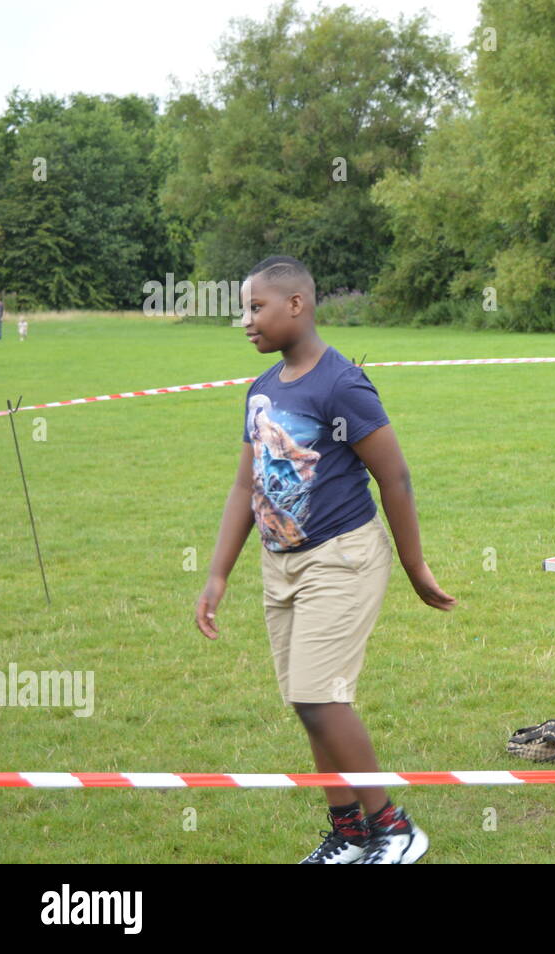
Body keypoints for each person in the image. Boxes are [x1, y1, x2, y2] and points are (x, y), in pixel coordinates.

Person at [195, 255, 456, 864]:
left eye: (256, 307)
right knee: (307, 703)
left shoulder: (341, 384)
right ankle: (349, 833)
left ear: (297, 305)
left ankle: (394, 828)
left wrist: (415, 567)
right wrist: (216, 573)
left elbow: (394, 476)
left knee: (320, 698)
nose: (245, 322)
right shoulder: (261, 391)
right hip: (279, 562)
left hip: (341, 558)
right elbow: (245, 487)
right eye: (243, 309)